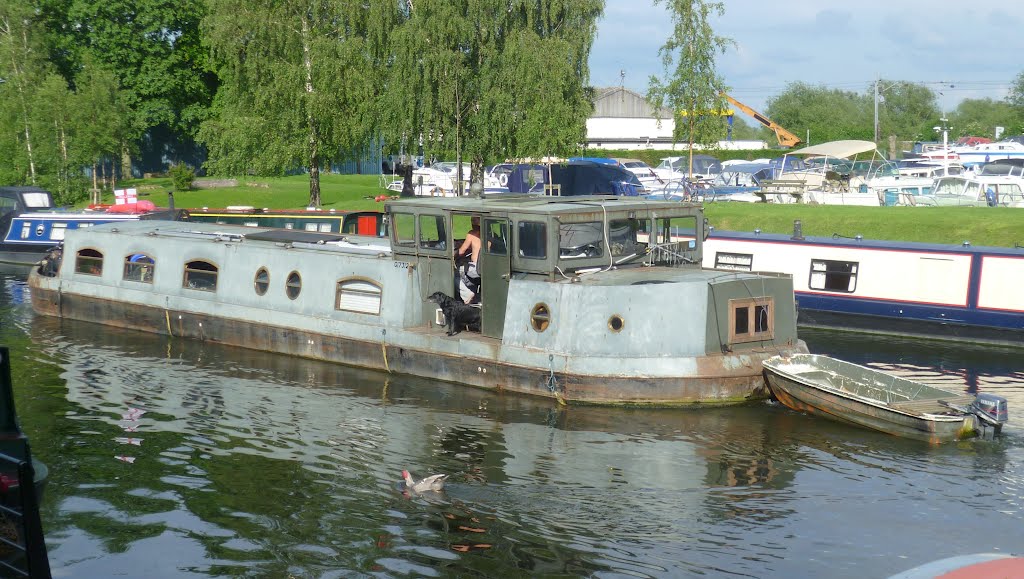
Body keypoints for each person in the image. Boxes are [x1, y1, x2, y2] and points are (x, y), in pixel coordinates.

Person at [457, 216, 482, 304]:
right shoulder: (490, 234)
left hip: (475, 268)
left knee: (458, 272)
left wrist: (455, 253)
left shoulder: (471, 234)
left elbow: (461, 251)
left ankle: (468, 296)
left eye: (473, 221)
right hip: (486, 268)